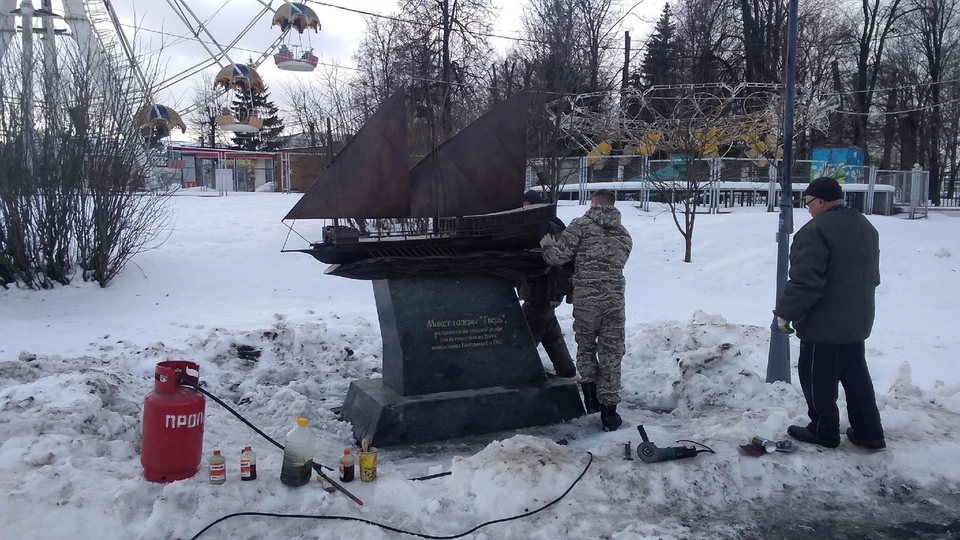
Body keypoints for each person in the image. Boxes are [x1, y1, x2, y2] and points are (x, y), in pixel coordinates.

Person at [775, 176, 886, 450]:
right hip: (857, 320)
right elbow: (873, 276)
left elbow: (806, 281)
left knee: (816, 379)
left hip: (823, 324)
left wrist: (785, 313)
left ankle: (823, 431)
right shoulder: (864, 226)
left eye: (809, 203)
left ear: (821, 201)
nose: (808, 209)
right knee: (856, 378)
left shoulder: (815, 231)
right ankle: (869, 432)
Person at [540, 189, 632, 431]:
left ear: (593, 203)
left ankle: (590, 399)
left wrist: (547, 248)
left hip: (587, 298)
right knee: (612, 352)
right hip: (614, 300)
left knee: (587, 345)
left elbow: (559, 257)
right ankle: (609, 413)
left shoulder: (580, 225)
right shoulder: (624, 235)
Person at [517, 189, 577, 379]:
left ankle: (520, 373)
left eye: (527, 205)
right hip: (534, 290)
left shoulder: (550, 228)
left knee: (526, 335)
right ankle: (566, 370)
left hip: (543, 292)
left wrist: (556, 295)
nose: (524, 209)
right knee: (550, 333)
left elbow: (563, 264)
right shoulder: (527, 226)